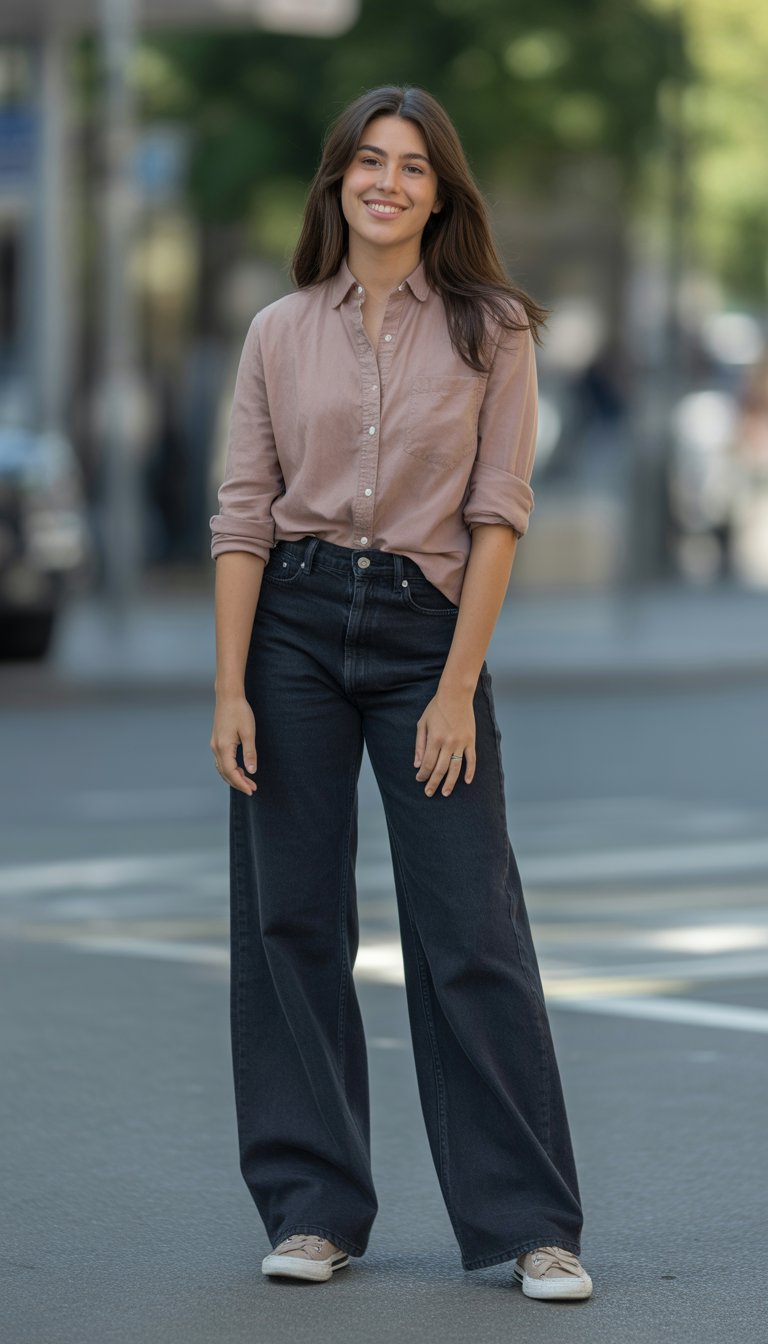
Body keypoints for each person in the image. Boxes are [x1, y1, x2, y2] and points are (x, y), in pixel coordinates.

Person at [209, 84, 592, 1301]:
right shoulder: (279, 330)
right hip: (294, 633)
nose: (388, 181)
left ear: (442, 192)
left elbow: (497, 515)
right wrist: (230, 688)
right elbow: (241, 520)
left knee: (470, 926)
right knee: (292, 923)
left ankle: (530, 1222)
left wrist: (455, 687)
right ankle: (315, 1207)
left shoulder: (494, 329)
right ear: (337, 183)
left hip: (430, 633)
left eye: (414, 166)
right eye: (368, 161)